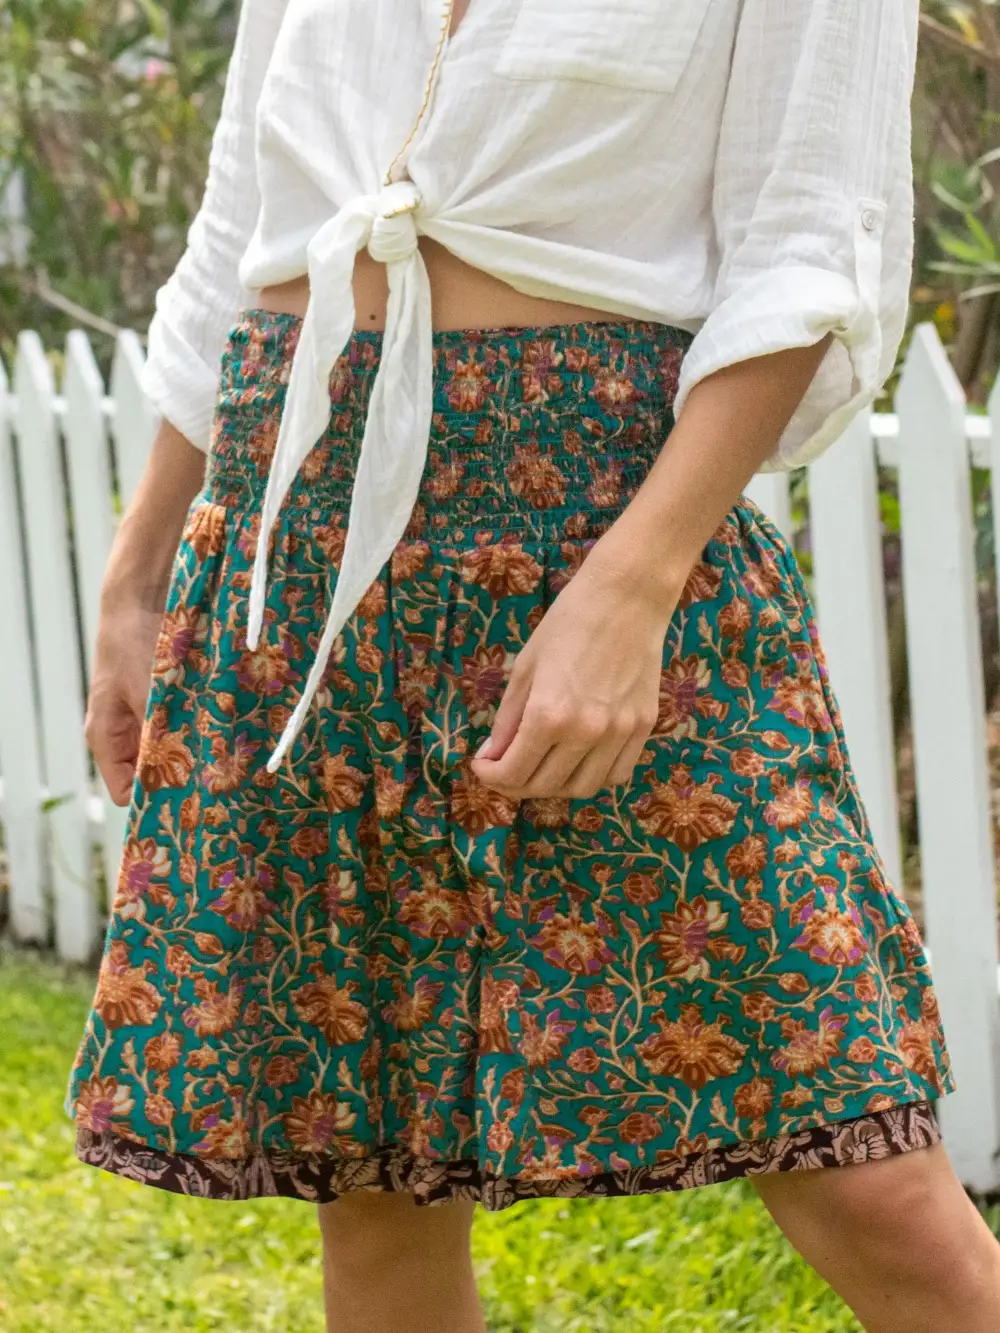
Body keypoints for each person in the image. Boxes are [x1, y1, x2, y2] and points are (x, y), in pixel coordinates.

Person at [65, 1, 1000, 1329]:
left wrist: (634, 590)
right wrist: (137, 575)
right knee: (374, 1177)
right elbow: (240, 230)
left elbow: (811, 248)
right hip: (301, 538)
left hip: (600, 521)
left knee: (861, 1159)